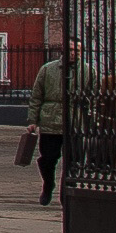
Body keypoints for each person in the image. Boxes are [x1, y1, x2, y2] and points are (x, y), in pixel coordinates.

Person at [26, 45, 69, 206]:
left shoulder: (87, 71)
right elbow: (36, 96)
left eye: (78, 50)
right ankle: (48, 184)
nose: (75, 53)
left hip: (75, 124)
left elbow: (93, 97)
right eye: (71, 50)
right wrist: (33, 121)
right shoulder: (48, 70)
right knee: (48, 159)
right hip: (50, 123)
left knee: (71, 162)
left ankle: (66, 193)